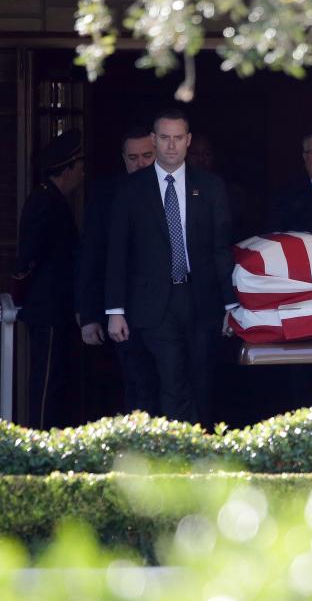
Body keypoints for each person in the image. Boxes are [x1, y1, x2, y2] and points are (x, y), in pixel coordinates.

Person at [105, 108, 237, 425]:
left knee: (201, 379)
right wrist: (115, 310)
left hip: (201, 298)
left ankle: (202, 449)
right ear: (154, 139)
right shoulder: (131, 188)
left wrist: (232, 303)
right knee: (172, 376)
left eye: (178, 138)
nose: (171, 145)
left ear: (188, 140)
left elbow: (221, 248)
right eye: (164, 138)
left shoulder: (210, 186)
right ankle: (179, 455)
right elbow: (118, 251)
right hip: (154, 303)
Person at [75, 125, 159, 414]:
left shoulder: (179, 188)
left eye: (147, 155)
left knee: (178, 386)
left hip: (174, 311)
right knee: (137, 386)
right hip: (125, 311)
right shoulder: (107, 195)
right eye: (133, 157)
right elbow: (92, 256)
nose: (140, 164)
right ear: (123, 158)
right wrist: (89, 315)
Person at [14, 129, 83, 428]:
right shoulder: (44, 201)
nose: (83, 173)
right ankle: (39, 440)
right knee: (45, 382)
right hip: (48, 307)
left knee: (57, 381)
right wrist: (23, 295)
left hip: (57, 307)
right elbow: (27, 258)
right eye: (79, 167)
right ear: (67, 170)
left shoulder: (54, 199)